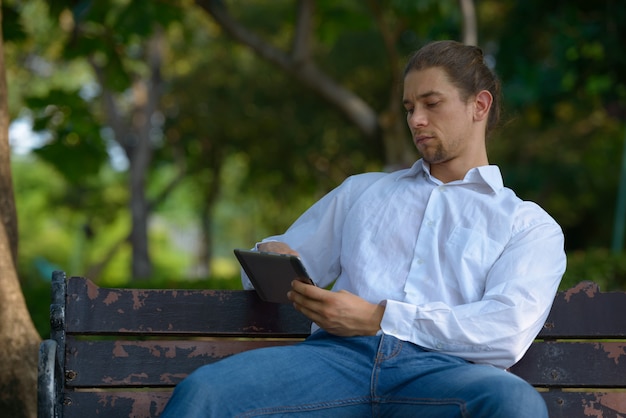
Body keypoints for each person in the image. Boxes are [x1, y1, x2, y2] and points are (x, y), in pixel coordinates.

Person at [161, 40, 566, 417]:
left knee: (513, 402)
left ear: (479, 105)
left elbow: (505, 330)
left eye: (431, 103)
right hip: (334, 361)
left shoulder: (527, 225)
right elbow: (282, 268)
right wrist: (274, 256)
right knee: (205, 394)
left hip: (443, 375)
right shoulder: (364, 192)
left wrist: (379, 318)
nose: (417, 120)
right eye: (409, 108)